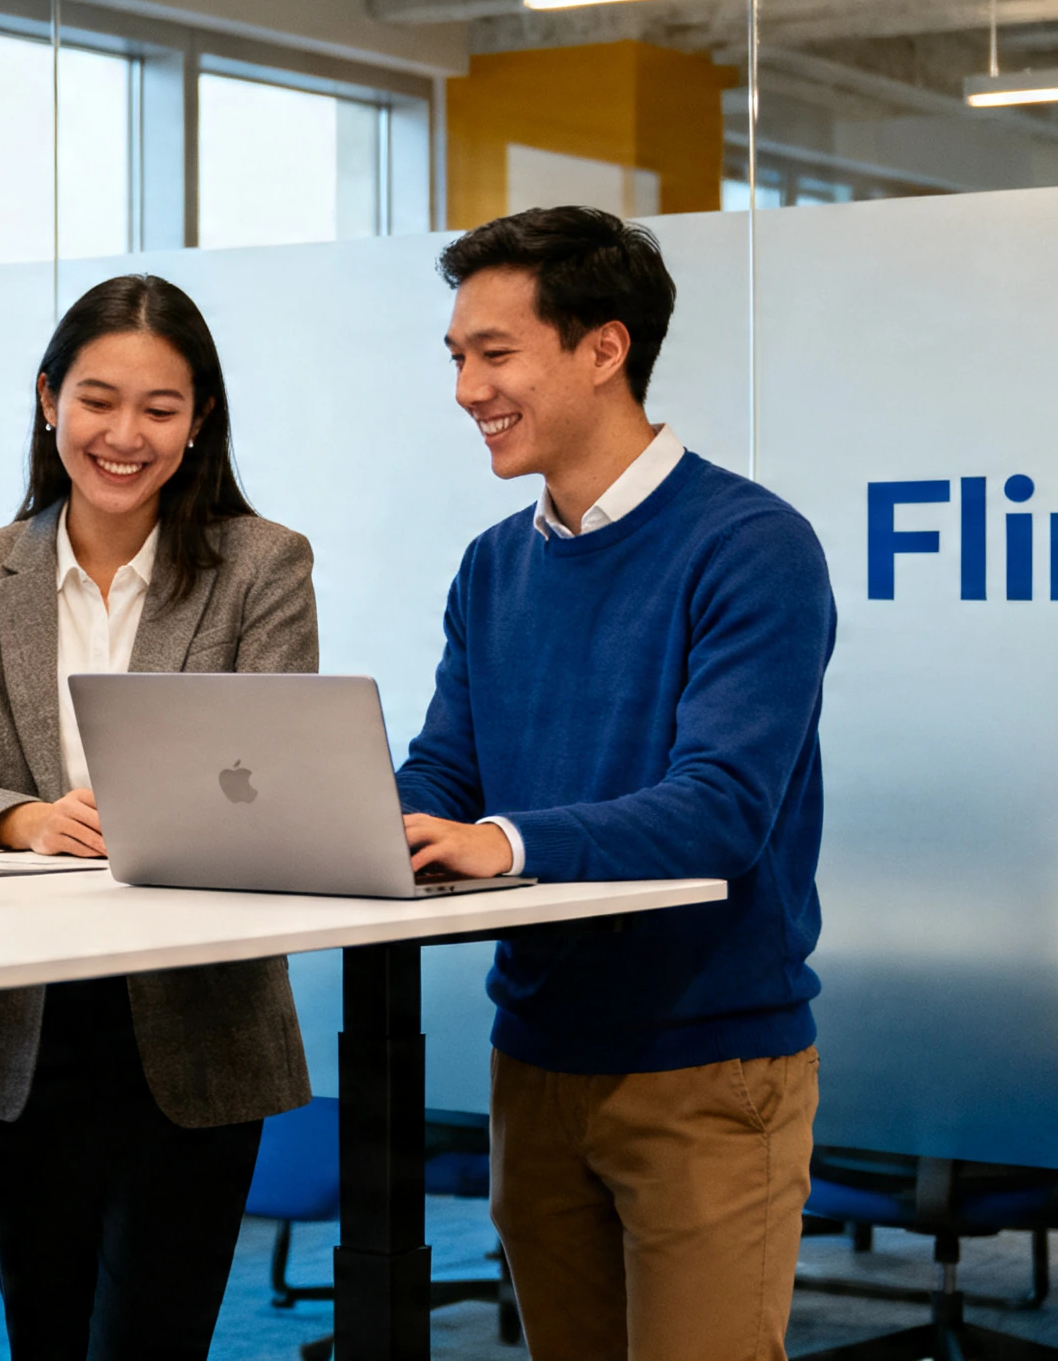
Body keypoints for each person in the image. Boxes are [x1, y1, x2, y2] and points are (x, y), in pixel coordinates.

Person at [398, 207, 836, 1360]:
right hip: (535, 1056)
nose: (464, 389)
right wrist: (357, 819)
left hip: (706, 1064)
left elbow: (721, 809)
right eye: (456, 358)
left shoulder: (750, 545)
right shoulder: (494, 564)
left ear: (604, 347)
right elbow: (445, 768)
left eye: (494, 354)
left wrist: (501, 839)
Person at [0, 273, 315, 1361]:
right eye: (97, 399)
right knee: (41, 1337)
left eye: (159, 407)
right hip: (21, 1019)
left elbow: (277, 780)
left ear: (198, 424)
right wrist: (20, 820)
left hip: (195, 1016)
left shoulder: (261, 566)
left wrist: (162, 817)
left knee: (153, 1341)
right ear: (47, 400)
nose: (123, 434)